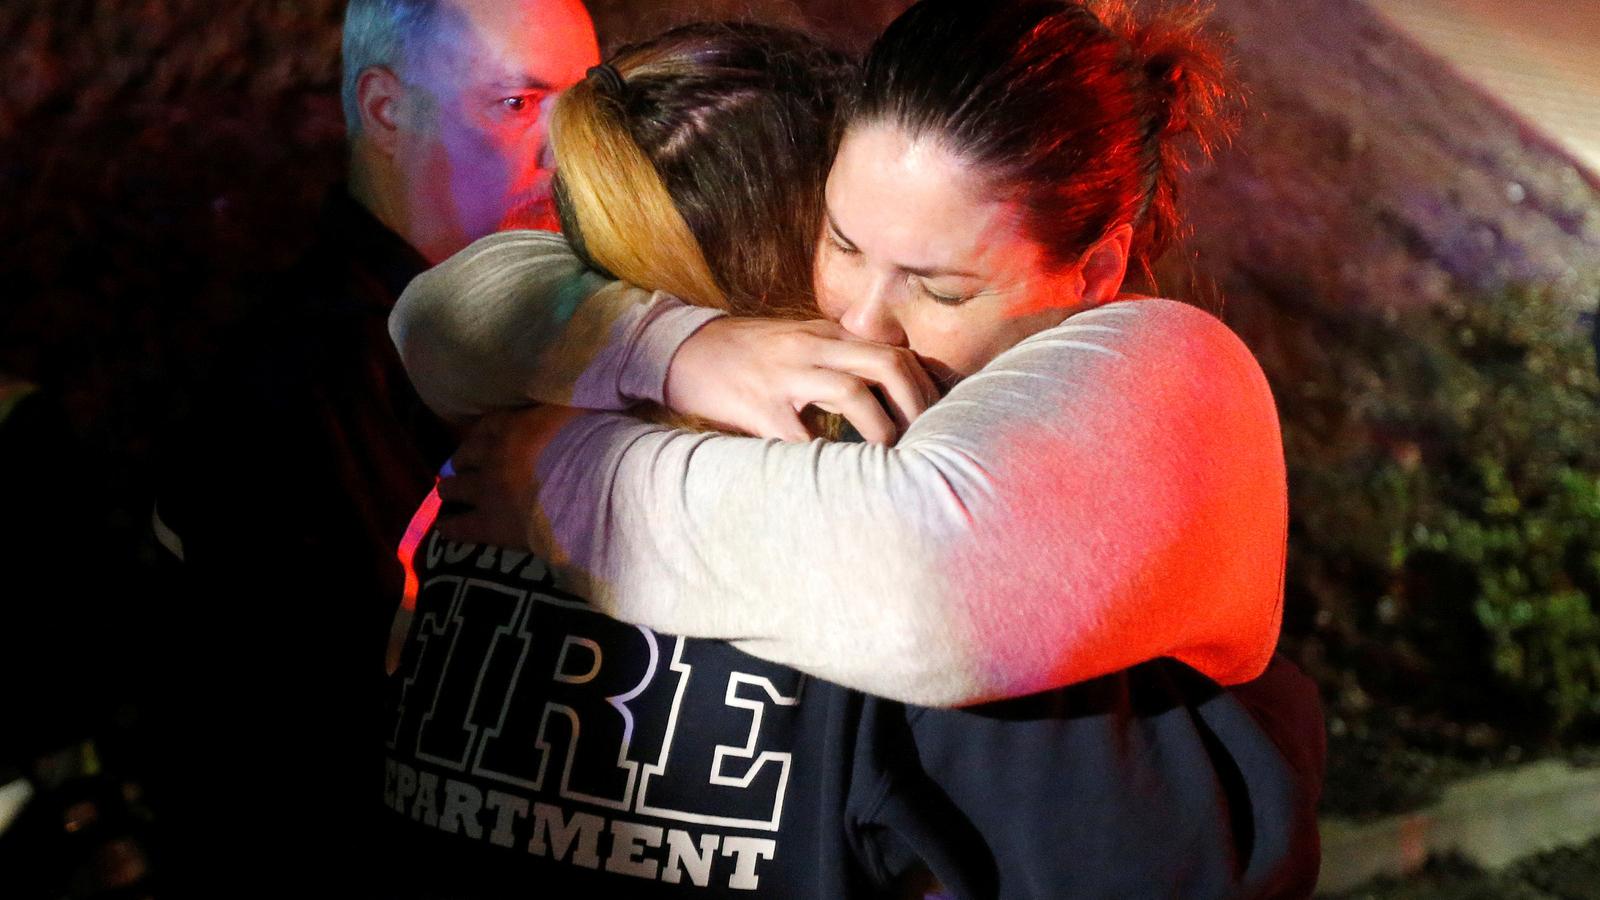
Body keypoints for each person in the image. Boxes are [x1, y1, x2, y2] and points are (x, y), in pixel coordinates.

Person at [389, 3, 1321, 896]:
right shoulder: (913, 580)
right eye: (840, 243)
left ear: (1098, 272)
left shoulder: (495, 454)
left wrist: (559, 468)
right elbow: (1181, 865)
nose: (865, 322)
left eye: (941, 289)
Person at [146, 1, 598, 894]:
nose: (566, 153)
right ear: (386, 109)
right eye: (515, 105)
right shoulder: (313, 383)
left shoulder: (487, 333)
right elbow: (324, 760)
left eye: (586, 108)